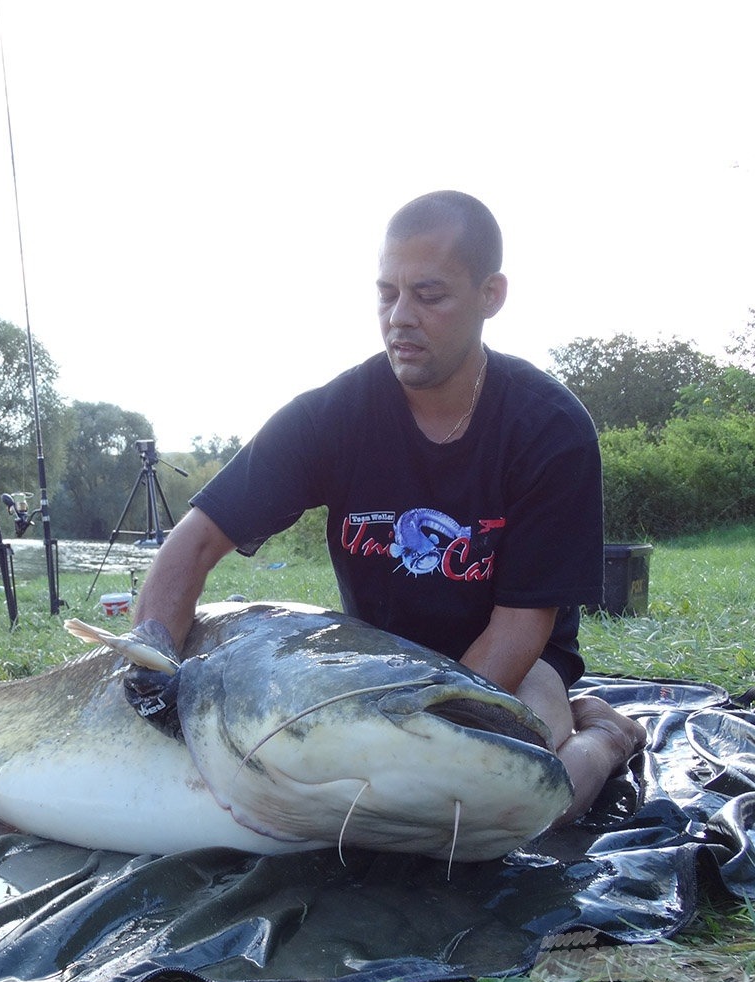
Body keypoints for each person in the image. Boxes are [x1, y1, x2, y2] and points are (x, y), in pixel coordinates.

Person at [126, 190, 645, 825]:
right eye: (386, 293)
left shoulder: (550, 429)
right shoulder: (332, 416)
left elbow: (519, 629)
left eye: (429, 296)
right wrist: (151, 666)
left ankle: (607, 737)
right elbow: (195, 542)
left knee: (517, 806)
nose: (400, 316)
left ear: (491, 295)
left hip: (512, 665)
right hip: (370, 664)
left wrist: (419, 730)